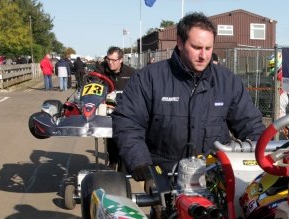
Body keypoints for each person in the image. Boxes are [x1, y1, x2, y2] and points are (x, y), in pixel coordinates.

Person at [112, 12, 265, 179]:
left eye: (208, 48)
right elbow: (128, 122)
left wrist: (265, 155)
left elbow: (250, 124)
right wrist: (140, 162)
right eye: (197, 48)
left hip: (215, 176)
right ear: (179, 43)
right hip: (164, 177)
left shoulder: (227, 81)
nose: (204, 55)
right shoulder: (149, 78)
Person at [96, 46, 137, 168]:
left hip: (126, 111)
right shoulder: (101, 69)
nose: (110, 63)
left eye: (114, 60)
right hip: (107, 111)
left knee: (126, 138)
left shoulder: (131, 73)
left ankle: (125, 163)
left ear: (121, 60)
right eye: (108, 59)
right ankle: (113, 161)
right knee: (111, 137)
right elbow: (92, 83)